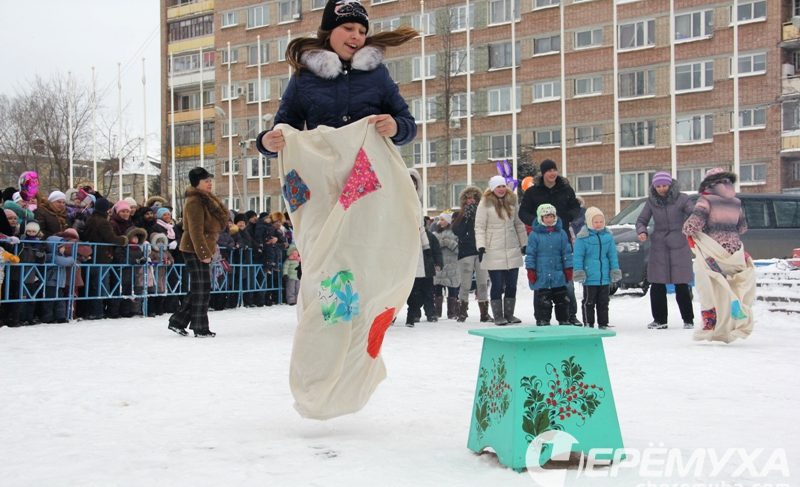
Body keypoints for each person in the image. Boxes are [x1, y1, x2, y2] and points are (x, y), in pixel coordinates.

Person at [256, 0, 417, 157]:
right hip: (324, 176)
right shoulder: (304, 77)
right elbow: (284, 129)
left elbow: (409, 125)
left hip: (370, 177)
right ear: (329, 31)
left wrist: (396, 127)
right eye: (348, 28)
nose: (356, 36)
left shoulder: (377, 74)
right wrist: (266, 142)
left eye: (362, 32)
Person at [682, 168, 755, 343]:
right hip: (734, 252)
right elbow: (743, 228)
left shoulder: (706, 201)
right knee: (730, 285)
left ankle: (711, 324)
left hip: (712, 252)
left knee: (707, 285)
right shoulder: (736, 202)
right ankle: (734, 314)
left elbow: (691, 227)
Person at [518, 160, 582, 325]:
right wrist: (536, 222)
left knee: (566, 282)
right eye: (549, 170)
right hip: (541, 240)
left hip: (561, 236)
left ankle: (570, 315)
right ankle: (542, 317)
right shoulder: (533, 192)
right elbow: (523, 212)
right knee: (541, 282)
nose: (552, 173)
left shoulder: (565, 189)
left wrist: (566, 218)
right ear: (543, 173)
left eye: (554, 170)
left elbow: (575, 207)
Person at [168, 167, 229, 338]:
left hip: (202, 247)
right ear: (197, 183)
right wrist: (203, 253)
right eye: (206, 181)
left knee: (200, 287)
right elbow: (195, 230)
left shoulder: (207, 200)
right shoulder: (195, 201)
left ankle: (178, 321)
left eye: (210, 180)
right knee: (202, 288)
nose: (210, 183)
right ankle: (200, 327)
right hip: (193, 248)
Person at [635, 171, 696, 330]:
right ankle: (660, 320)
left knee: (681, 284)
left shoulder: (682, 199)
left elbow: (694, 213)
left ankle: (688, 319)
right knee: (657, 284)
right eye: (658, 186)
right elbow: (641, 220)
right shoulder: (651, 202)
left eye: (664, 185)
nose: (662, 188)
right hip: (659, 245)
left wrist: (691, 225)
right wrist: (642, 231)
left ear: (670, 184)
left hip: (679, 243)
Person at [476, 175, 528, 326]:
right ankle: (498, 315)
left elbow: (518, 224)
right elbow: (479, 227)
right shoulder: (485, 203)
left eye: (503, 186)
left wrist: (524, 243)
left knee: (512, 284)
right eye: (498, 187)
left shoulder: (512, 201)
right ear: (492, 188)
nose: (501, 189)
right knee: (497, 285)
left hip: (511, 248)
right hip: (492, 249)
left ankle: (509, 314)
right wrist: (481, 246)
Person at [525, 204, 574, 326]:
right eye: (546, 217)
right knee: (543, 300)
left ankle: (564, 319)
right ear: (541, 218)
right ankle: (543, 320)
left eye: (552, 216)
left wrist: (568, 268)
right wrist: (531, 270)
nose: (549, 219)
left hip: (558, 273)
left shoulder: (561, 233)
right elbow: (530, 254)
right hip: (542, 273)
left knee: (562, 299)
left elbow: (566, 252)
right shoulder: (534, 235)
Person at [573, 207, 621, 329]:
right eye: (596, 222)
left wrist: (614, 270)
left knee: (604, 302)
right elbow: (578, 256)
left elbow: (612, 255)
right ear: (589, 222)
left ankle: (603, 323)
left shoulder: (608, 236)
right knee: (589, 302)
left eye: (601, 221)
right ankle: (588, 323)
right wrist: (579, 271)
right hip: (590, 277)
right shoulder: (583, 238)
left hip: (604, 277)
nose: (599, 224)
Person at [452, 186, 492, 322]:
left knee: (482, 283)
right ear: (464, 200)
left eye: (474, 198)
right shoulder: (459, 215)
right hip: (465, 252)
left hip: (481, 251)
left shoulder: (483, 213)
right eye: (468, 198)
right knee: (465, 284)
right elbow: (457, 231)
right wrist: (465, 215)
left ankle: (484, 313)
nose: (471, 201)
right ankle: (462, 311)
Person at [432, 212, 461, 320]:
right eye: (439, 219)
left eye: (443, 219)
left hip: (452, 266)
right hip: (440, 265)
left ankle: (452, 312)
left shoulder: (455, 234)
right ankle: (437, 312)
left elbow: (459, 249)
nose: (440, 221)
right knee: (438, 289)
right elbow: (433, 248)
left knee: (452, 289)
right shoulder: (435, 234)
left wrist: (448, 243)